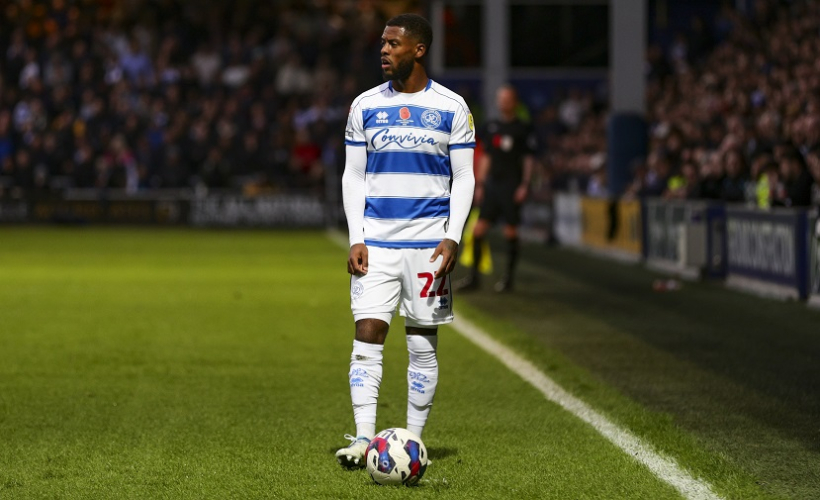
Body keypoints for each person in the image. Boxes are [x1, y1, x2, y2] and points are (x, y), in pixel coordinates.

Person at [335, 13, 476, 468]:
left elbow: (464, 176)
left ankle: (413, 443)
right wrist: (356, 237)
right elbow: (353, 175)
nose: (384, 50)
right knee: (367, 333)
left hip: (428, 247)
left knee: (421, 343)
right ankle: (362, 438)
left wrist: (453, 236)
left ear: (418, 49)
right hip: (376, 242)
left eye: (393, 43)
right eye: (382, 42)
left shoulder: (452, 107)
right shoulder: (364, 105)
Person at [456, 85, 537, 292]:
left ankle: (508, 279)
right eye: (500, 99)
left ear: (515, 102)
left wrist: (524, 185)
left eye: (507, 99)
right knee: (478, 230)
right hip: (492, 185)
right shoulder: (491, 126)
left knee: (510, 231)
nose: (503, 102)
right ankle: (474, 278)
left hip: (511, 185)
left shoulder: (522, 128)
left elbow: (528, 159)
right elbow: (487, 157)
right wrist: (480, 184)